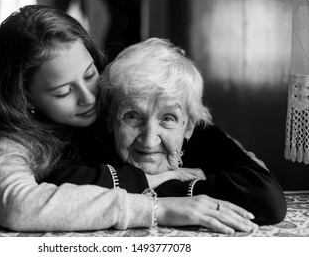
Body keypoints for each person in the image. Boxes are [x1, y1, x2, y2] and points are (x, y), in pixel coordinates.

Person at [0, 5, 258, 234]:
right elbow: (18, 207)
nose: (89, 98)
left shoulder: (109, 101)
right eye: (62, 92)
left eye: (89, 74)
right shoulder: (10, 142)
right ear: (24, 97)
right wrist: (159, 204)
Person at [46, 38, 287, 226]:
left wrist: (169, 191)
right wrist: (166, 183)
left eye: (168, 118)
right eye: (132, 116)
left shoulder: (203, 135)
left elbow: (267, 200)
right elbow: (57, 182)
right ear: (110, 119)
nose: (150, 140)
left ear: (190, 125)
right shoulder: (92, 135)